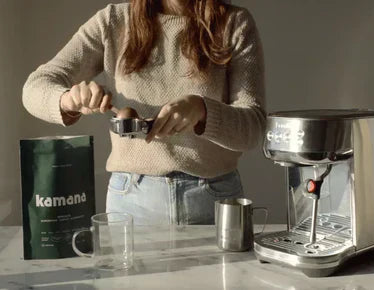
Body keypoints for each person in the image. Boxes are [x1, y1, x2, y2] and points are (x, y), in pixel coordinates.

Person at [22, 0, 266, 225]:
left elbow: (253, 129)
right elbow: (35, 88)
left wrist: (202, 110)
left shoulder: (234, 23)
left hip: (215, 200)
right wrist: (67, 100)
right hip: (132, 201)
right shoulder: (113, 21)